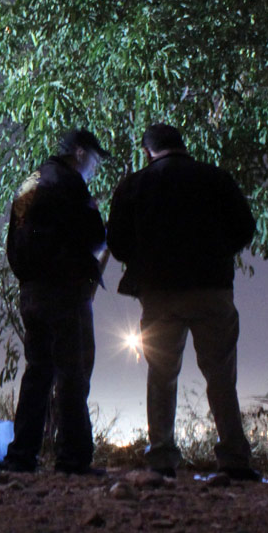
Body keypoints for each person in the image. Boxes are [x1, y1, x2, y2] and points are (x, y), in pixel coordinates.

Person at [107, 123, 259, 480]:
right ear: (182, 145)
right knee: (221, 375)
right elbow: (245, 228)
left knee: (161, 374)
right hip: (212, 289)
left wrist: (144, 262)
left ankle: (161, 456)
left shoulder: (134, 185)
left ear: (148, 151)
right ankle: (234, 457)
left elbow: (116, 242)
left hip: (159, 295)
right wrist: (218, 253)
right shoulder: (215, 178)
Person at [0, 128, 110, 476]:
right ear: (79, 153)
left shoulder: (30, 182)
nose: (94, 168)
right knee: (71, 374)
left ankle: (21, 457)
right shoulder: (70, 183)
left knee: (37, 374)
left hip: (31, 291)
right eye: (93, 160)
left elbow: (13, 237)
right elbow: (95, 237)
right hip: (64, 290)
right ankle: (73, 459)